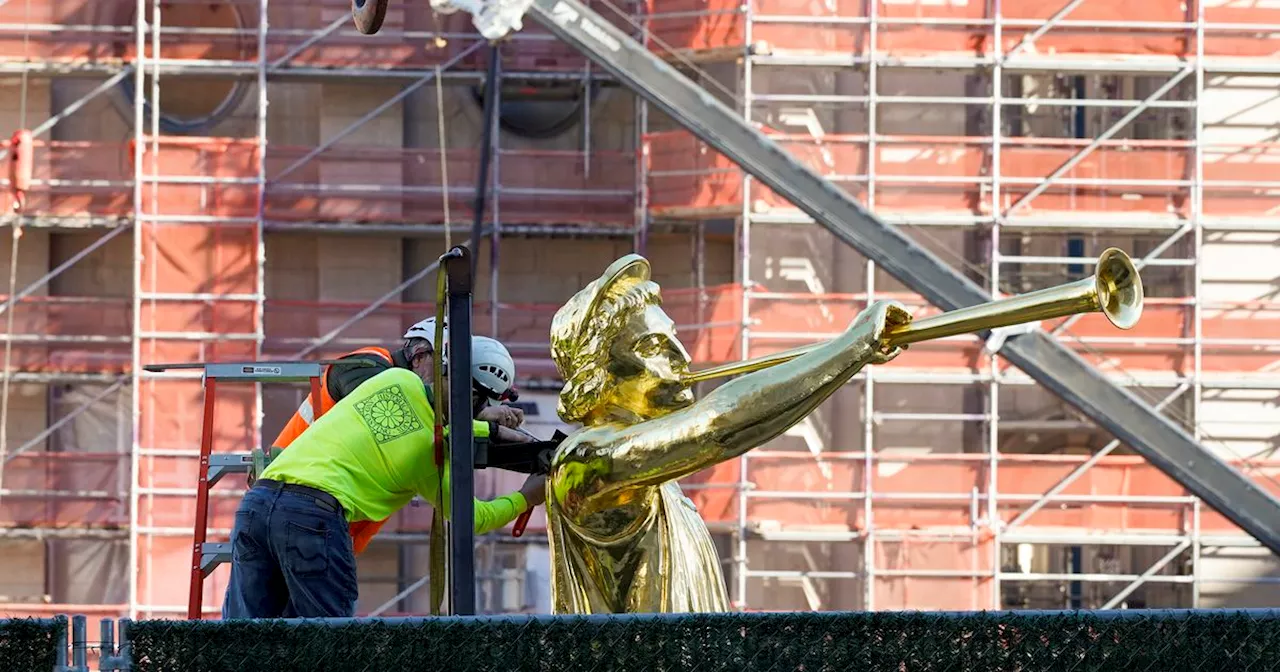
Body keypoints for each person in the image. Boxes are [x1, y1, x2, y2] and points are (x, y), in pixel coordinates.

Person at [544, 254, 908, 614]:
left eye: (674, 338)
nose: (682, 356)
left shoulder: (658, 482)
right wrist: (850, 348)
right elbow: (717, 427)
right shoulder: (584, 459)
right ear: (597, 375)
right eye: (652, 347)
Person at [222, 363, 546, 619]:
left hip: (257, 504)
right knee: (326, 644)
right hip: (312, 516)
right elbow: (472, 516)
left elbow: (429, 419)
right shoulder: (429, 456)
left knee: (243, 634)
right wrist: (525, 497)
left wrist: (482, 422)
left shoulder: (395, 381)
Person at [266, 318, 525, 555]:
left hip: (328, 527)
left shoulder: (423, 426)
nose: (444, 380)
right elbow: (398, 422)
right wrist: (484, 424)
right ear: (419, 356)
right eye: (443, 370)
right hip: (296, 498)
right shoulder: (368, 366)